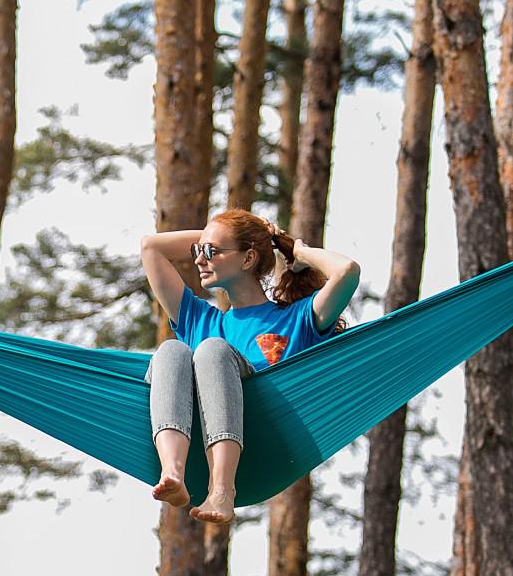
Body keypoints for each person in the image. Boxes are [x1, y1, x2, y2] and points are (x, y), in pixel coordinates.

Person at [138, 210, 361, 525]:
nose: (200, 260)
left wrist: (296, 250)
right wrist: (223, 237)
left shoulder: (296, 319)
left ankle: (222, 489)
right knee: (171, 350)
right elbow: (151, 248)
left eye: (211, 252)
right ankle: (173, 471)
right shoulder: (200, 319)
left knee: (212, 350)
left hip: (268, 433)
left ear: (248, 259)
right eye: (199, 251)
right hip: (197, 438)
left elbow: (347, 271)